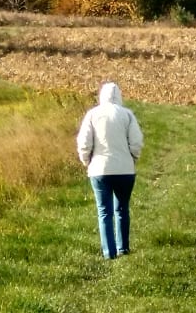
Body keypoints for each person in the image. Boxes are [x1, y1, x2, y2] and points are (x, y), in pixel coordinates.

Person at [76, 81, 144, 259]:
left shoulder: (92, 114)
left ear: (101, 96)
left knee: (104, 211)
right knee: (122, 209)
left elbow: (84, 142)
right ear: (119, 96)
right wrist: (133, 158)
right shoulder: (127, 115)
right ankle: (124, 248)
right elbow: (136, 142)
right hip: (125, 171)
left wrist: (86, 160)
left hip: (99, 170)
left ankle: (109, 252)